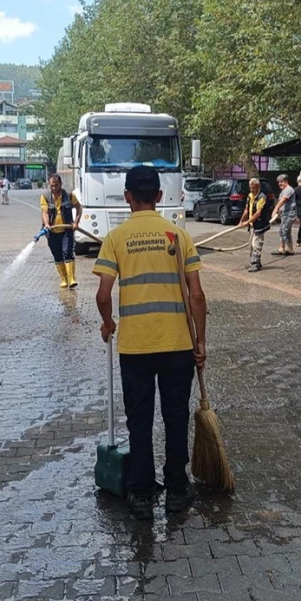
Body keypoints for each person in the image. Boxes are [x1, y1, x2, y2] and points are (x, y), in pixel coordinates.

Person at [94, 165, 207, 521]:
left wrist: (108, 322)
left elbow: (102, 294)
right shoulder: (178, 235)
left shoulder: (116, 238)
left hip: (135, 349)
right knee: (176, 418)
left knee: (139, 422)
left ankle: (141, 494)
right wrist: (200, 342)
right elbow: (197, 296)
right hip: (177, 345)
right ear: (159, 196)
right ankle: (176, 490)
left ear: (127, 196)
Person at [40, 173, 83, 289]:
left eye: (56, 185)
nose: (54, 188)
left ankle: (71, 279)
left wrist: (76, 222)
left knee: (68, 252)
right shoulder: (45, 196)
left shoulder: (69, 195)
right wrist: (47, 224)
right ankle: (64, 279)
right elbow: (45, 212)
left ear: (61, 184)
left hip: (66, 230)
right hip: (52, 232)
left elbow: (79, 208)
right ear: (49, 184)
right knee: (57, 255)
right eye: (52, 186)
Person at [238, 178, 271, 272]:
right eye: (251, 188)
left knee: (257, 244)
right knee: (252, 245)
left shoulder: (262, 197)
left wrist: (247, 222)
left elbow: (258, 213)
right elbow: (247, 209)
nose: (252, 190)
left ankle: (255, 264)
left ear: (258, 187)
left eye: (254, 188)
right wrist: (241, 221)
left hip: (260, 224)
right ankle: (254, 262)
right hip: (252, 225)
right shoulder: (250, 196)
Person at [270, 174, 296, 256]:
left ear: (286, 181)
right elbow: (280, 201)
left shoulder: (289, 189)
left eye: (281, 182)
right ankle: (290, 249)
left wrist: (275, 209)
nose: (279, 184)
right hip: (285, 214)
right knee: (287, 231)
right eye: (279, 182)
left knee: (282, 230)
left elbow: (283, 200)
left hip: (289, 214)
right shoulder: (283, 190)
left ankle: (282, 248)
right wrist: (278, 211)